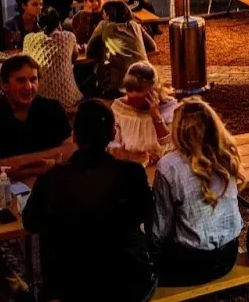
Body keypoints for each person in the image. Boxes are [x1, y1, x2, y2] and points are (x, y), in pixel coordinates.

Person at [22, 99, 157, 302]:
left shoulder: (52, 178)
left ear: (75, 136)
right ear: (112, 134)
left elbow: (30, 222)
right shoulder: (132, 172)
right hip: (131, 284)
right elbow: (148, 214)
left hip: (72, 289)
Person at [151, 98, 244, 286]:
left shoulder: (169, 166)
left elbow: (160, 228)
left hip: (191, 263)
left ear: (178, 131)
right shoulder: (226, 155)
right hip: (229, 254)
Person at [0, 55, 74, 176]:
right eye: (21, 80)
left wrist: (15, 162)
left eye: (33, 79)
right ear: (4, 84)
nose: (28, 87)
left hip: (51, 182)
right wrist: (47, 162)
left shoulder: (53, 108)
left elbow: (70, 149)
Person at [111, 61, 178, 165]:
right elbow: (113, 148)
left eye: (139, 100)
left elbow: (173, 150)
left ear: (153, 93)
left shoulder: (169, 109)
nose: (133, 104)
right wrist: (139, 157)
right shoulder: (121, 109)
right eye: (130, 98)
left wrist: (156, 117)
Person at [85, 0, 158, 95]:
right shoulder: (135, 26)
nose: (102, 16)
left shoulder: (104, 25)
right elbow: (153, 46)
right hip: (146, 80)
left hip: (117, 86)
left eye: (103, 13)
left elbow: (89, 51)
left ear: (107, 15)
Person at [24, 7, 82, 109]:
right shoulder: (69, 37)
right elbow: (75, 56)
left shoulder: (29, 39)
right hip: (68, 98)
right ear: (59, 23)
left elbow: (26, 62)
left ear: (38, 24)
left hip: (39, 99)